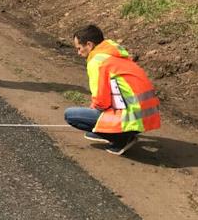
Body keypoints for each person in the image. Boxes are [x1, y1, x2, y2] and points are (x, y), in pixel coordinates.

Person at [64, 24, 161, 155]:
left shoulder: (97, 62)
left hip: (130, 118)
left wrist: (94, 116)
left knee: (71, 115)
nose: (78, 52)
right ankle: (111, 131)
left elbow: (101, 102)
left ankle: (121, 139)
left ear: (89, 45)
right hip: (145, 116)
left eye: (79, 48)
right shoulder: (114, 55)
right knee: (93, 118)